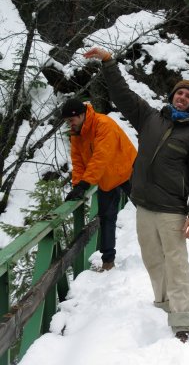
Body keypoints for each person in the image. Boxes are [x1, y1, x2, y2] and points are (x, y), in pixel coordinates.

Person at [83, 47, 189, 343]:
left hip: (172, 210)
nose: (182, 98)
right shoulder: (149, 118)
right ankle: (165, 303)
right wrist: (108, 62)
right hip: (144, 208)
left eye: (188, 97)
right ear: (172, 96)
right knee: (153, 261)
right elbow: (122, 94)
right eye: (179, 93)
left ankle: (182, 320)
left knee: (176, 263)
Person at [61, 98, 137, 272]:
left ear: (81, 115)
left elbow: (100, 157)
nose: (69, 124)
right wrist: (77, 186)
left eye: (71, 120)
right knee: (107, 218)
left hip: (128, 170)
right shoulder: (76, 134)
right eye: (67, 122)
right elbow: (78, 162)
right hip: (106, 178)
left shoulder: (103, 124)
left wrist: (86, 183)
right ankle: (108, 262)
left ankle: (163, 244)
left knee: (147, 208)